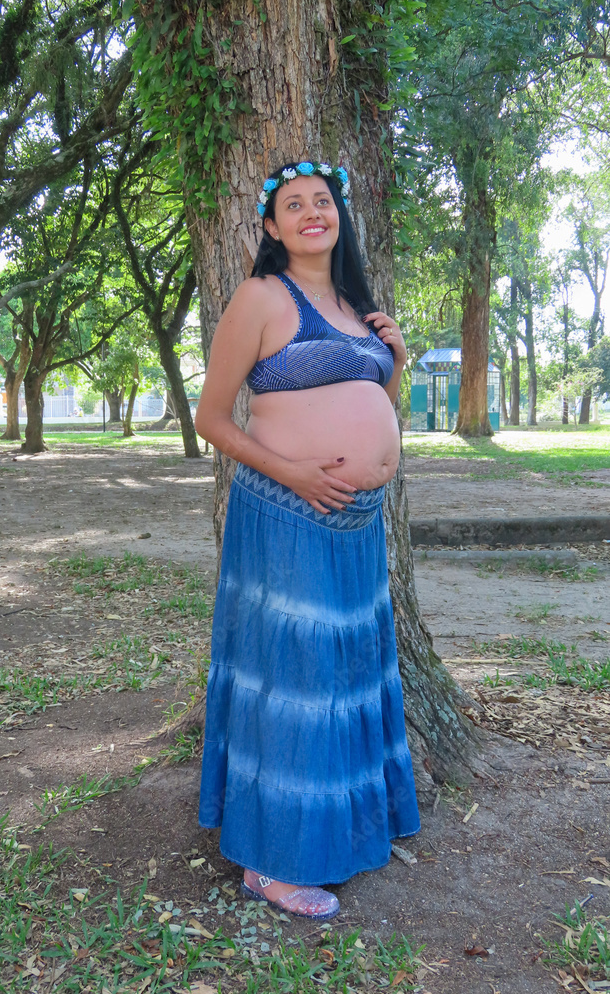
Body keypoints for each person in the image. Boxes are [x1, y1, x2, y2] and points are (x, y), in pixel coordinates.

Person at [195, 161, 420, 921]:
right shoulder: (261, 297)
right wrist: (295, 473)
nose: (310, 213)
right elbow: (213, 418)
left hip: (354, 527)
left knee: (343, 678)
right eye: (293, 205)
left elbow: (367, 408)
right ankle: (270, 862)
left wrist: (395, 366)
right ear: (271, 227)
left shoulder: (359, 309)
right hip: (288, 516)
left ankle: (334, 833)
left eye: (321, 202)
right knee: (291, 683)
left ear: (339, 216)